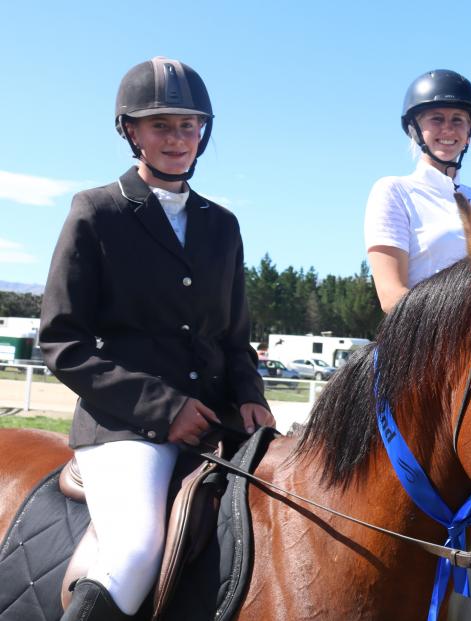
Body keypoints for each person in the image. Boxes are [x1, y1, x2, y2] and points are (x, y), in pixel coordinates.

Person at [39, 57, 274, 621]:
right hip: (125, 426)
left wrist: (251, 396)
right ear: (132, 132)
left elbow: (235, 337)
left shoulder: (222, 224)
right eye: (161, 125)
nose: (177, 139)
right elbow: (62, 340)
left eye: (188, 125)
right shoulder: (97, 212)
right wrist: (163, 408)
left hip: (218, 418)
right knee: (134, 550)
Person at [364, 69, 471, 313]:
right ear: (415, 129)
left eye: (457, 120)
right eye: (437, 119)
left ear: (468, 134)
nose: (448, 130)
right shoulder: (394, 192)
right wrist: (460, 319)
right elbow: (390, 296)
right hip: (418, 338)